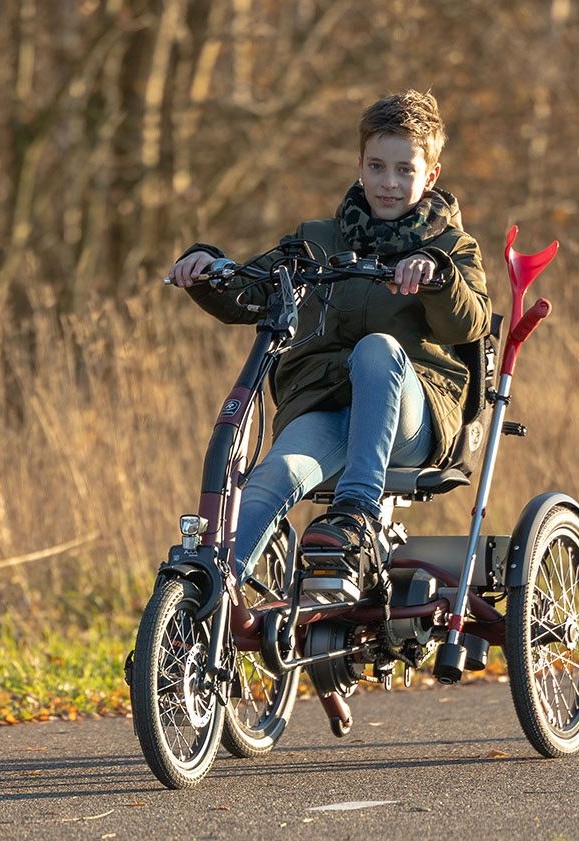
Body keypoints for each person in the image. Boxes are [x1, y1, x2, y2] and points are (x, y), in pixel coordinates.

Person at [166, 90, 491, 601]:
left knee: (377, 349)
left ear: (429, 176)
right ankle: (199, 613)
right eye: (377, 166)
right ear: (360, 165)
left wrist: (436, 277)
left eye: (404, 170)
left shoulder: (451, 249)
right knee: (274, 476)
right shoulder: (317, 239)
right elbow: (251, 290)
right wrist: (208, 269)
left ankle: (355, 516)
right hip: (328, 407)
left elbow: (468, 324)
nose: (388, 183)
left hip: (415, 417)